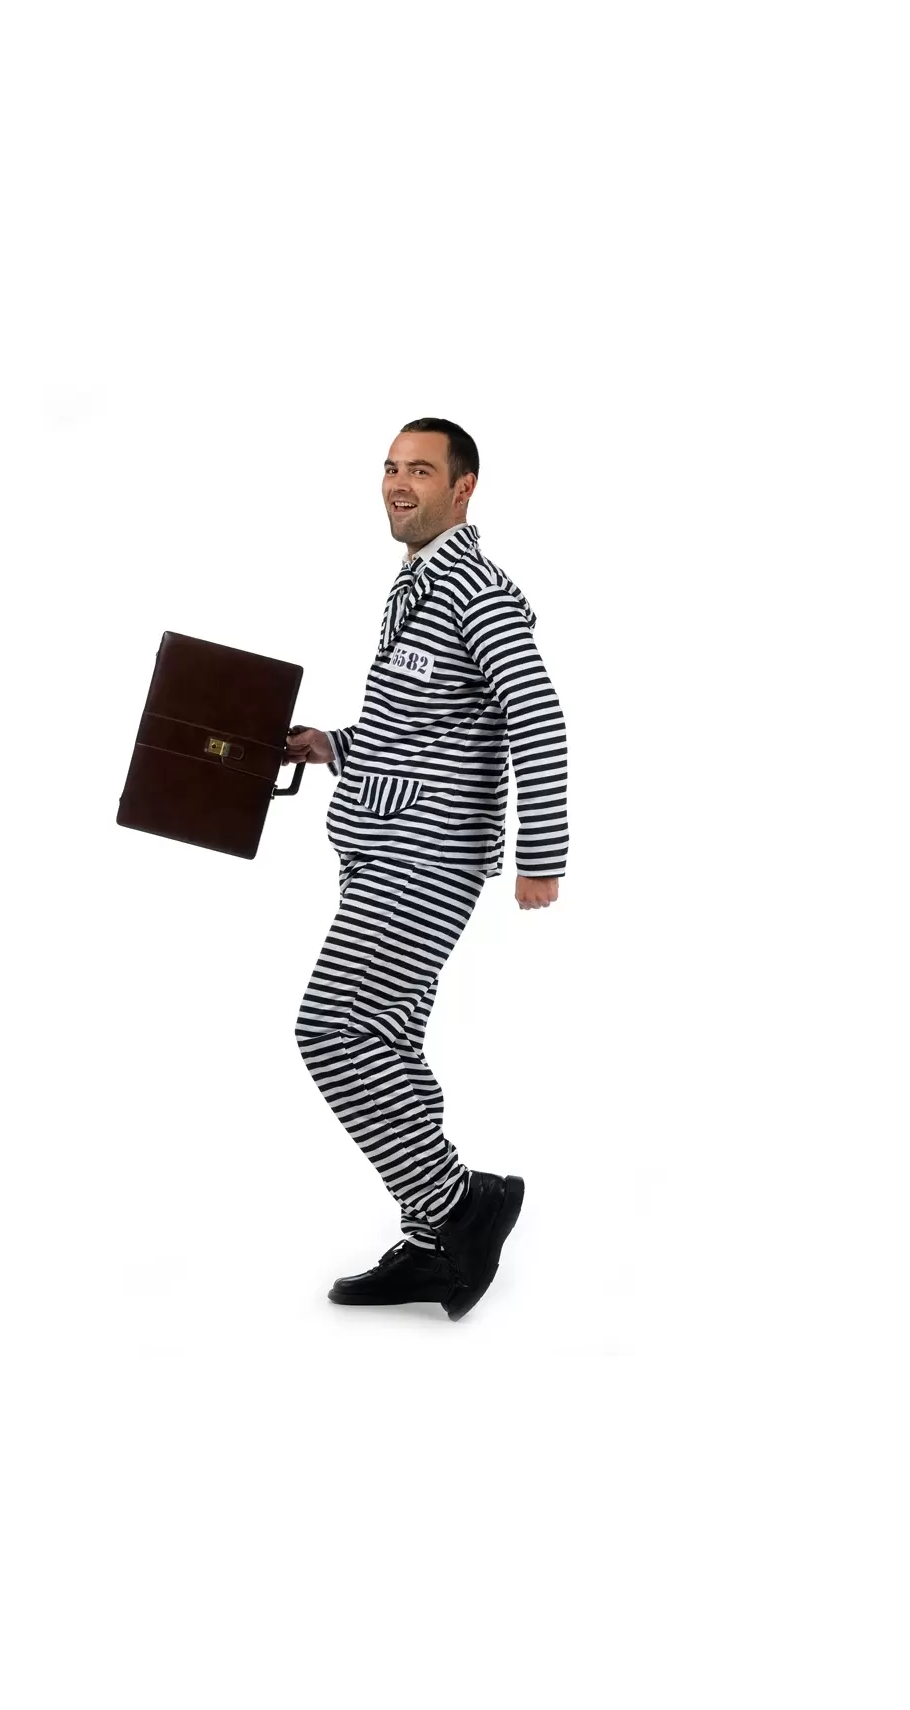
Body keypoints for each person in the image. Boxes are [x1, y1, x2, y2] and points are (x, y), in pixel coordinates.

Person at [284, 417, 569, 1320]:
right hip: (380, 842)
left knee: (331, 1030)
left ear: (463, 487)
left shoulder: (476, 590)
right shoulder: (416, 581)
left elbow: (538, 716)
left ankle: (462, 1205)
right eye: (390, 468)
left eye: (420, 470)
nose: (398, 484)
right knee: (386, 1040)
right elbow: (425, 725)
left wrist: (542, 855)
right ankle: (433, 1238)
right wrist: (330, 745)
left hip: (425, 855)